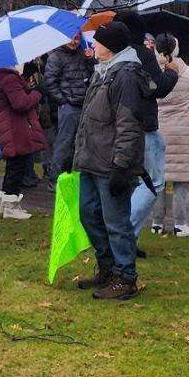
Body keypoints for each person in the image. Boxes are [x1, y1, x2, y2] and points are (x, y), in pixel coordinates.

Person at [72, 22, 150, 299]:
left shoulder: (126, 76)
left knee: (116, 222)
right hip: (92, 160)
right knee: (88, 214)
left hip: (111, 163)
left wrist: (121, 166)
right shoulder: (102, 72)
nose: (92, 44)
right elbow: (89, 120)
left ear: (111, 46)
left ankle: (126, 277)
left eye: (98, 41)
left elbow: (128, 125)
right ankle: (108, 268)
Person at [114, 14, 178, 243]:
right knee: (153, 183)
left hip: (121, 126)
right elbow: (157, 87)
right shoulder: (141, 53)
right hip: (144, 126)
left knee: (131, 184)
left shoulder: (115, 55)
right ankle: (123, 234)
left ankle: (127, 239)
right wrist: (172, 72)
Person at [151, 33, 189, 236]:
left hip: (160, 131)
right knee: (182, 180)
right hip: (184, 134)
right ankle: (181, 224)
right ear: (176, 49)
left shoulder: (153, 73)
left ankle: (157, 224)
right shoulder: (188, 72)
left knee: (158, 178)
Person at [0, 62, 47, 219]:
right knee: (16, 168)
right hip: (16, 128)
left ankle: (6, 203)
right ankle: (11, 206)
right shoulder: (10, 80)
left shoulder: (4, 78)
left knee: (13, 167)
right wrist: (37, 93)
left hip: (11, 128)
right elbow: (21, 103)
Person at [43, 35, 91, 175]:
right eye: (71, 38)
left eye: (77, 38)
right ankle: (55, 177)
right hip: (69, 106)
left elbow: (91, 74)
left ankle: (74, 177)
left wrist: (90, 60)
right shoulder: (56, 56)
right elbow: (49, 82)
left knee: (80, 144)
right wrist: (63, 101)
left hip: (84, 104)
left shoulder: (83, 53)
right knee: (63, 144)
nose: (73, 42)